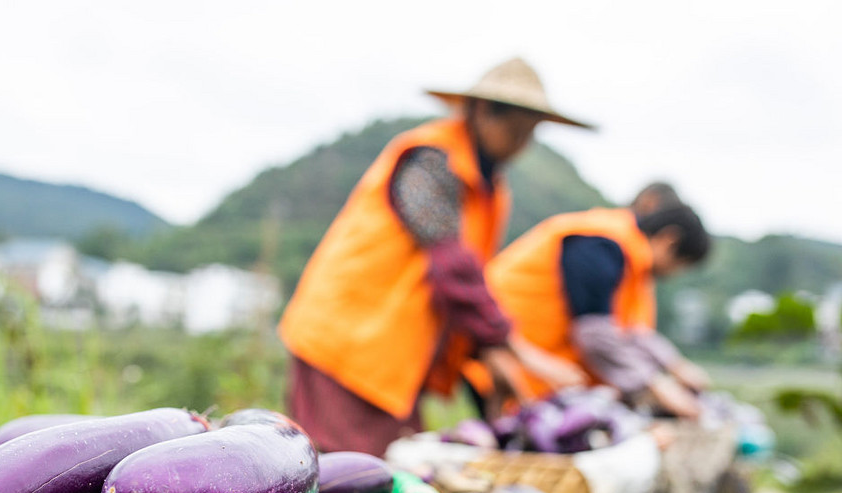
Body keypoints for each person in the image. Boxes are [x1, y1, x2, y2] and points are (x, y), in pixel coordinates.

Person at [278, 58, 593, 455]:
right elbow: (453, 267)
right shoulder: (430, 161)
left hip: (393, 356)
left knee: (392, 475)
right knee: (343, 475)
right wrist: (518, 350)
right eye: (514, 128)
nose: (519, 144)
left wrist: (487, 352)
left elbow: (465, 283)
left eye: (529, 133)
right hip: (350, 340)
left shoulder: (490, 188)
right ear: (481, 110)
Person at [484, 182, 712, 418]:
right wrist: (656, 384)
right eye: (680, 265)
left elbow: (630, 331)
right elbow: (595, 333)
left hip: (534, 367)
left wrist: (674, 365)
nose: (673, 274)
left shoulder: (629, 259)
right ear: (669, 240)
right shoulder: (601, 245)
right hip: (504, 358)